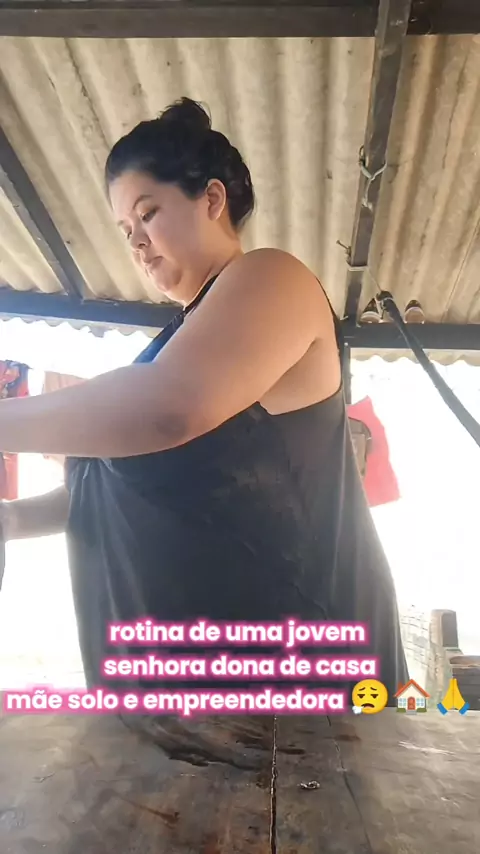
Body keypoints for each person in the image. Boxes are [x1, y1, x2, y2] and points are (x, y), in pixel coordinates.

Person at [0, 98, 407, 721]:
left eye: (148, 213)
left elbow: (171, 410)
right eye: (125, 230)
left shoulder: (272, 280)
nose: (137, 243)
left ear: (212, 198)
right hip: (193, 704)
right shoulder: (174, 347)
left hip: (298, 692)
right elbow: (115, 487)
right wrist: (13, 519)